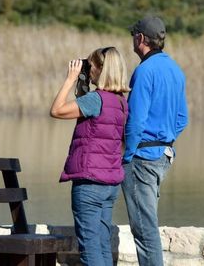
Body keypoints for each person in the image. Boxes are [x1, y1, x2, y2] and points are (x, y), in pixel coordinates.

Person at [51, 46, 131, 266]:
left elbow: (56, 110)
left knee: (90, 250)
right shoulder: (121, 102)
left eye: (91, 66)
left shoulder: (96, 100)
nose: (90, 70)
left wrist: (70, 79)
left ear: (101, 70)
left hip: (89, 184)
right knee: (103, 246)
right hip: (110, 184)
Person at [122, 15, 189, 266]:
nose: (132, 40)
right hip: (163, 156)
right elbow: (182, 119)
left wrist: (127, 156)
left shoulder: (144, 71)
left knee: (144, 230)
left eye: (133, 36)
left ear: (140, 39)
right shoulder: (175, 70)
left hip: (141, 159)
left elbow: (136, 121)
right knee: (147, 223)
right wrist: (164, 141)